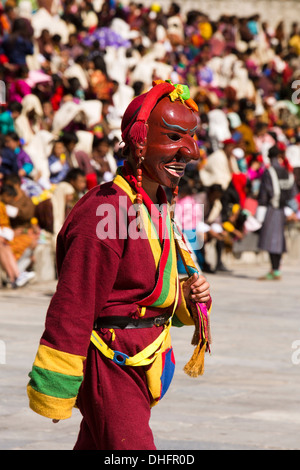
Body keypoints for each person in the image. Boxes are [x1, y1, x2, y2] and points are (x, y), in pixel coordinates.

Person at [27, 80, 212, 450]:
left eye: (191, 138)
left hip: (145, 359)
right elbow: (75, 302)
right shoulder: (105, 209)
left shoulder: (153, 204)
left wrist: (188, 295)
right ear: (140, 143)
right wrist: (57, 385)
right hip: (112, 362)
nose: (188, 152)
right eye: (174, 137)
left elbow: (144, 286)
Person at [257, 145, 298, 280]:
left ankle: (275, 270)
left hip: (272, 208)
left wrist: (259, 214)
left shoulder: (269, 172)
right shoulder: (286, 171)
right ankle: (276, 269)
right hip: (283, 210)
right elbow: (292, 192)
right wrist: (291, 209)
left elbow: (265, 193)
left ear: (269, 156)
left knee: (271, 240)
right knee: (279, 240)